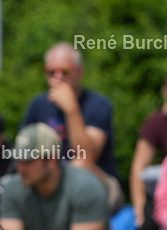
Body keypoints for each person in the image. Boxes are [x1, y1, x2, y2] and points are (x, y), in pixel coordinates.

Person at [21, 43, 120, 208]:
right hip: (50, 179)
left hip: (102, 185)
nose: (58, 77)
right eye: (51, 72)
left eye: (65, 71)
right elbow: (25, 151)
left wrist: (72, 110)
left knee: (78, 165)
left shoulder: (98, 104)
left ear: (80, 72)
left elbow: (86, 156)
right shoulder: (38, 105)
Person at [124, 72, 167, 230]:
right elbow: (138, 168)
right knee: (146, 222)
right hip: (162, 193)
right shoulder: (157, 122)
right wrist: (140, 207)